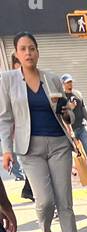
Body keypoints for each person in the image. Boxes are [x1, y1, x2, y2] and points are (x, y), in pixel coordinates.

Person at [0, 33, 83, 232]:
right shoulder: (7, 80)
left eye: (32, 48)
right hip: (30, 148)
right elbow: (5, 118)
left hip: (59, 144)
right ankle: (46, 231)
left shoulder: (52, 79)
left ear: (38, 52)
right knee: (45, 201)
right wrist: (7, 150)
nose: (28, 53)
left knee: (64, 199)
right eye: (24, 49)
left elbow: (69, 115)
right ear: (16, 53)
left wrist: (67, 111)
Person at [7, 55, 32, 200]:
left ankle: (30, 190)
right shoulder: (10, 86)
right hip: (21, 137)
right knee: (31, 171)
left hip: (36, 135)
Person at [60, 75, 87, 172]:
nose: (70, 84)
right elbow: (61, 114)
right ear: (63, 84)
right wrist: (70, 108)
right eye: (67, 82)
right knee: (72, 151)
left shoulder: (78, 94)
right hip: (71, 129)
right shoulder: (62, 98)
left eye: (71, 82)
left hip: (82, 126)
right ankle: (76, 170)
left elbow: (84, 110)